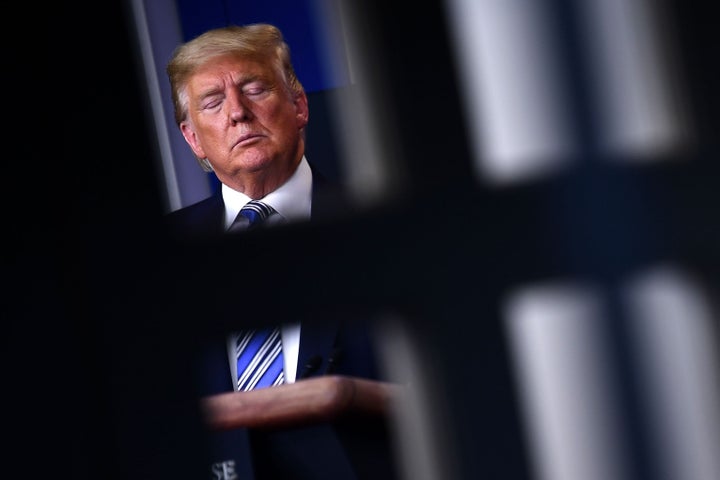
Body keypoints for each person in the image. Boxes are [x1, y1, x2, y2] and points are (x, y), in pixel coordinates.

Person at [163, 23, 399, 479]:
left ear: (299, 104)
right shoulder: (162, 253)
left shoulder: (379, 224)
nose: (238, 113)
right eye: (213, 102)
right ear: (193, 139)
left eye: (255, 89)